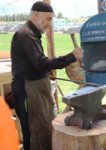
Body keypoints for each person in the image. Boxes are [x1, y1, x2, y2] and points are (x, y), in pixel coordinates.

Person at [11, 1, 83, 150]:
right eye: (48, 19)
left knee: (44, 127)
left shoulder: (31, 34)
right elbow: (42, 63)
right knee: (33, 131)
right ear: (36, 15)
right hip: (28, 91)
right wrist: (71, 57)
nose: (49, 24)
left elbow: (37, 65)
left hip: (36, 89)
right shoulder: (26, 35)